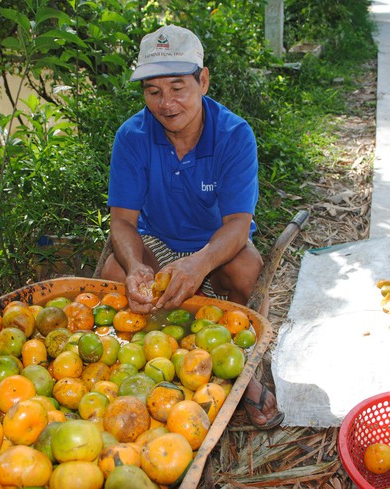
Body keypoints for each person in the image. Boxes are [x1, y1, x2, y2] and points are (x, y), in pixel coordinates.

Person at [100, 24, 284, 430]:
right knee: (116, 274)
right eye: (153, 91)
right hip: (159, 240)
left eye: (177, 87)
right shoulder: (132, 137)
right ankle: (160, 359)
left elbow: (238, 224)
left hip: (215, 244)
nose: (166, 104)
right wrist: (136, 266)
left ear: (203, 80)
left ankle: (243, 359)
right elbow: (123, 222)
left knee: (246, 270)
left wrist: (199, 264)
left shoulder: (234, 135)